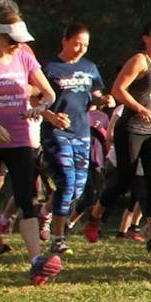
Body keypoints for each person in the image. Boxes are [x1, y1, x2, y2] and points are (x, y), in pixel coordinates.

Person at [0, 9, 60, 286]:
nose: (17, 44)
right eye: (12, 39)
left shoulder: (25, 57)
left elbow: (48, 91)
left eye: (20, 39)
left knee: (26, 200)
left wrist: (41, 107)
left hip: (19, 140)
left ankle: (36, 261)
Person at [40, 23, 107, 255]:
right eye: (77, 43)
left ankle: (46, 212)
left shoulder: (90, 68)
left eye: (85, 45)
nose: (81, 49)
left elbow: (94, 96)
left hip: (82, 131)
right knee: (66, 182)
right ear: (65, 40)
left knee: (77, 189)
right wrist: (50, 115)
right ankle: (58, 238)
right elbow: (31, 99)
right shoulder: (48, 67)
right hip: (57, 133)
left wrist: (104, 100)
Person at [105, 20, 151, 248]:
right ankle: (95, 214)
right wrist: (141, 109)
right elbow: (117, 90)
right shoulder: (140, 60)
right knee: (124, 179)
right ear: (145, 37)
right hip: (132, 127)